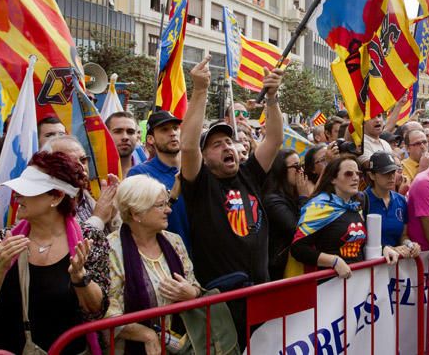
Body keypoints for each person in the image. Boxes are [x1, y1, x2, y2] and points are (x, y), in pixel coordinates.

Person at [179, 56, 284, 341]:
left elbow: (274, 140)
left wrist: (272, 98)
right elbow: (187, 146)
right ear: (205, 156)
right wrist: (200, 91)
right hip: (222, 303)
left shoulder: (249, 174)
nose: (227, 146)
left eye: (229, 141)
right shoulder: (201, 184)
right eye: (216, 144)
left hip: (260, 294)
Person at [0, 151, 110, 355]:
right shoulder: (4, 239)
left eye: (27, 190)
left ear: (56, 197)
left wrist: (80, 278)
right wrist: (0, 267)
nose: (17, 196)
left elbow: (96, 311)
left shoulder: (89, 238)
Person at [106, 176, 237, 353]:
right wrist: (147, 335)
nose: (168, 210)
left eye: (166, 203)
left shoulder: (174, 241)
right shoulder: (111, 250)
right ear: (136, 213)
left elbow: (194, 285)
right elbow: (108, 313)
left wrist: (192, 293)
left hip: (183, 345)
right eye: (160, 205)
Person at [290, 156, 406, 278]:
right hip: (329, 286)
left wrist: (384, 249)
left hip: (358, 284)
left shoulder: (357, 204)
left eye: (358, 174)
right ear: (333, 179)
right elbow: (298, 248)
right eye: (348, 174)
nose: (355, 178)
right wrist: (333, 261)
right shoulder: (319, 206)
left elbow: (361, 242)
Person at [128, 110, 191, 250]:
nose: (173, 133)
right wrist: (171, 197)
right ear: (151, 139)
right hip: (168, 257)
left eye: (175, 128)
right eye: (164, 130)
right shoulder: (140, 174)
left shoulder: (196, 169)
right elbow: (139, 220)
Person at [43, 135, 119, 232]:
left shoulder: (86, 197)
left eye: (83, 160)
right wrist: (98, 218)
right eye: (71, 162)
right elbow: (71, 245)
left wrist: (112, 214)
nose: (82, 167)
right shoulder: (45, 205)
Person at [263, 149, 314, 280]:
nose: (301, 171)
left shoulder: (293, 194)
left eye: (301, 166)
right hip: (280, 268)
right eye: (296, 166)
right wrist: (303, 197)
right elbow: (298, 229)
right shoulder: (272, 200)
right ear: (281, 170)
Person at [363, 151, 417, 255]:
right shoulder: (362, 200)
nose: (391, 176)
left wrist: (409, 245)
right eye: (385, 173)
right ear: (372, 175)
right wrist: (386, 249)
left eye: (393, 171)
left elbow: (403, 235)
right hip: (371, 265)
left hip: (396, 265)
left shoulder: (401, 200)